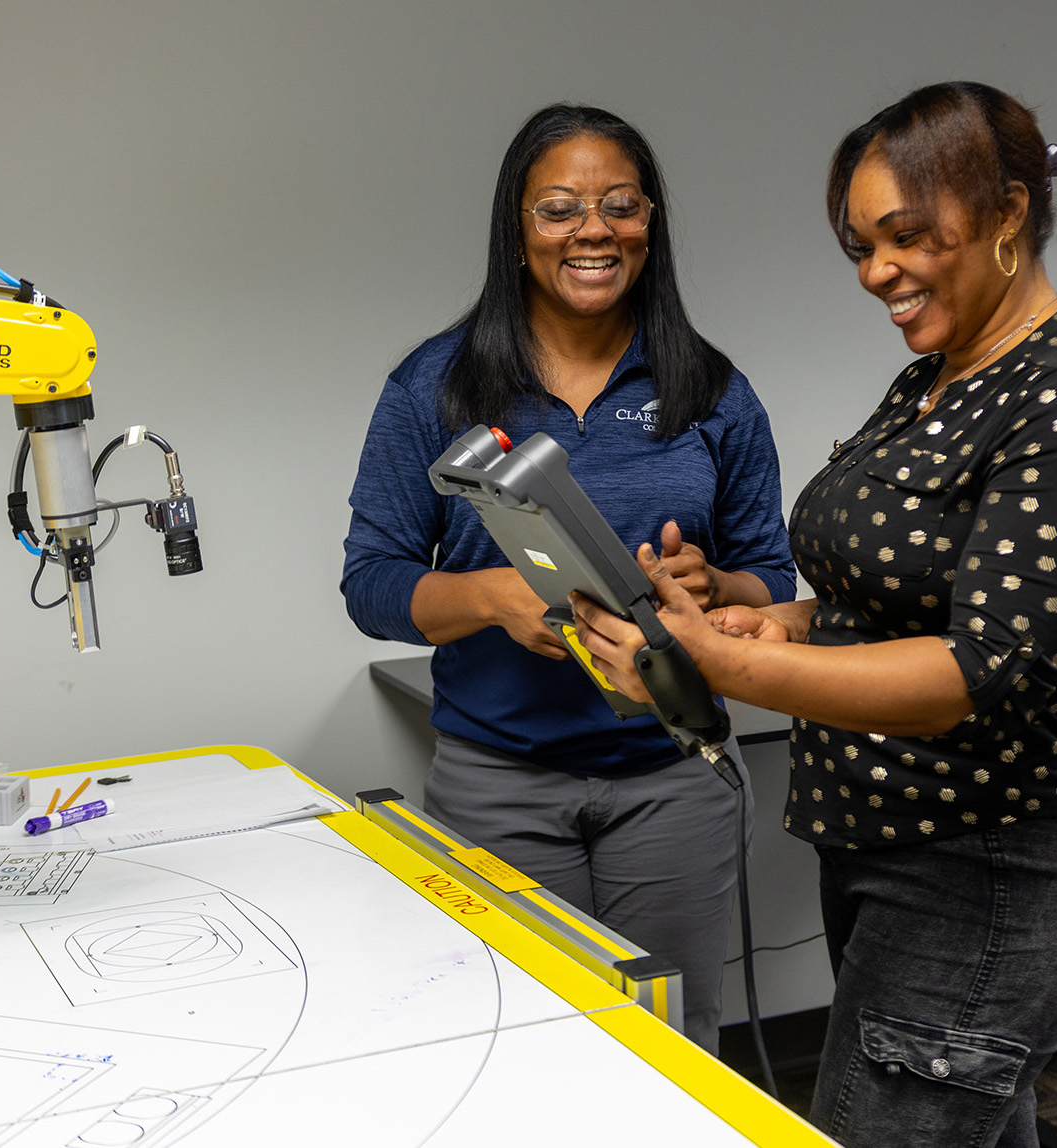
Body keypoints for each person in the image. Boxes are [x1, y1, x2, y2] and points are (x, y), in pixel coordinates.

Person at [568, 82, 1057, 1146]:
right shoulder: (937, 382)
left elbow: (966, 672)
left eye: (906, 236)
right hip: (887, 856)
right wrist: (773, 625)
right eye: (859, 244)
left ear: (1008, 214)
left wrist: (720, 666)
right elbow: (880, 602)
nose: (874, 271)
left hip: (984, 868)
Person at [340, 103, 794, 1053]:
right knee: (524, 1045)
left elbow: (772, 577)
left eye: (619, 205)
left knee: (674, 1046)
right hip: (496, 783)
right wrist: (491, 600)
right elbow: (372, 586)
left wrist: (714, 589)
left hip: (674, 779)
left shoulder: (712, 391)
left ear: (650, 223)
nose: (593, 229)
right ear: (517, 232)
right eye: (559, 209)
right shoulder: (435, 386)